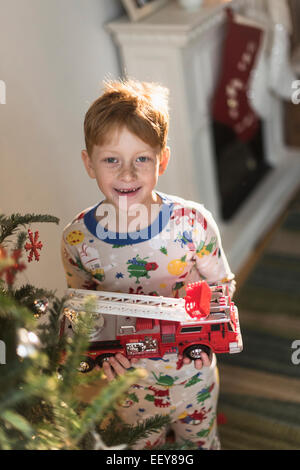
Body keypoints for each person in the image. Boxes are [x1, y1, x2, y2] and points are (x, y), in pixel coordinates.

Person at [61, 78, 236, 450]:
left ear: (163, 160)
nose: (127, 174)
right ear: (89, 163)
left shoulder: (194, 223)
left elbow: (223, 286)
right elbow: (84, 315)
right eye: (112, 160)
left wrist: (205, 328)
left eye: (142, 158)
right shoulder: (77, 240)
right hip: (129, 389)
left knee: (200, 444)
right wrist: (97, 361)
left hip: (194, 378)